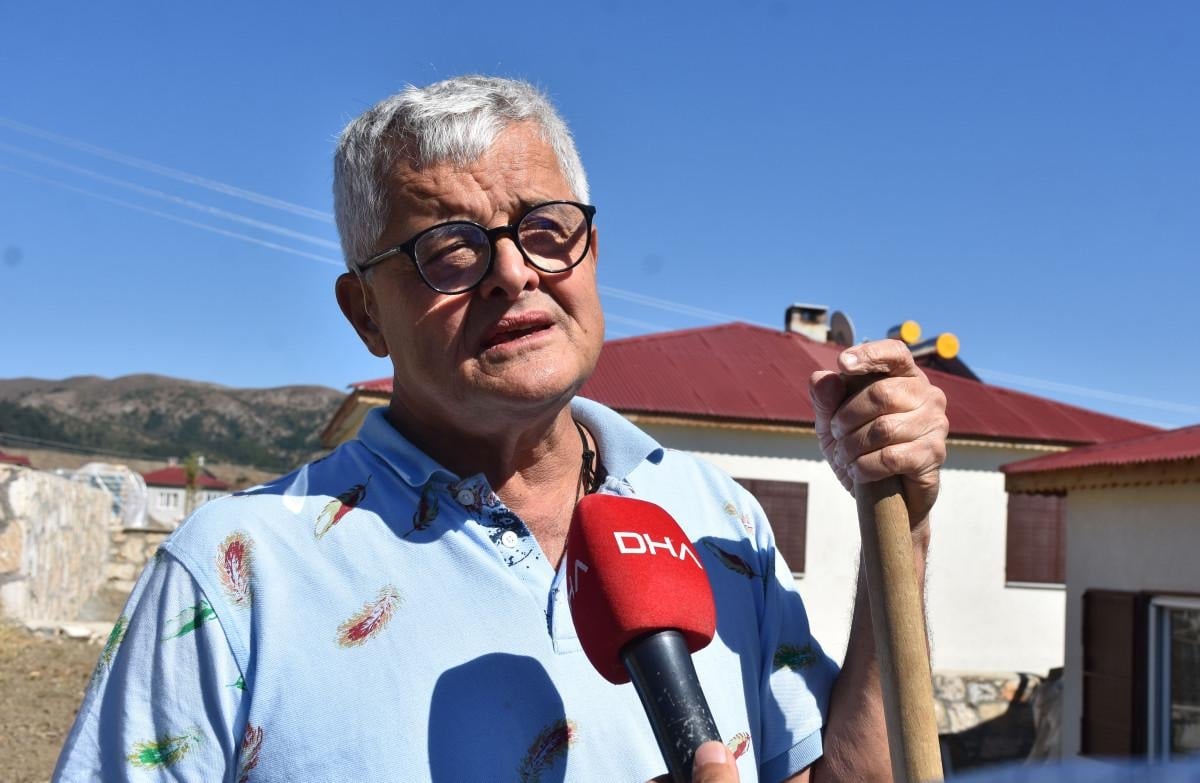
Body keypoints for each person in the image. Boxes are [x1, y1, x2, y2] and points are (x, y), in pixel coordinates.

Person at [54, 75, 947, 782]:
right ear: (366, 313)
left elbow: (855, 774)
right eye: (449, 249)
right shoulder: (236, 573)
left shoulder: (715, 515)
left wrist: (899, 517)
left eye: (547, 230)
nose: (514, 273)